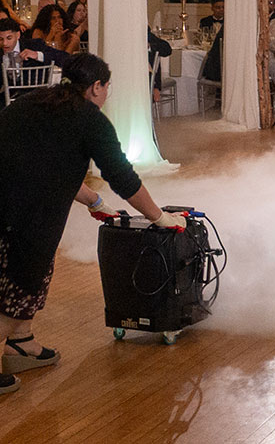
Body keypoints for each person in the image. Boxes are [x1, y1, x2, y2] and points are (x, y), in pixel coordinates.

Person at [0, 53, 185, 395]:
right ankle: (10, 336)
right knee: (22, 281)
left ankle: (20, 342)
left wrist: (94, 201)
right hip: (29, 214)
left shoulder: (33, 101)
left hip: (10, 203)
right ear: (96, 86)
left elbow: (49, 164)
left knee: (25, 276)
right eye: (106, 87)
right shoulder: (90, 120)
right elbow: (123, 178)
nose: (106, 93)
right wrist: (159, 216)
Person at [0, 17, 68, 70]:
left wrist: (37, 55)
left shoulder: (34, 45)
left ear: (18, 35)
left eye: (9, 38)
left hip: (37, 87)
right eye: (1, 39)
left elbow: (65, 58)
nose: (4, 43)